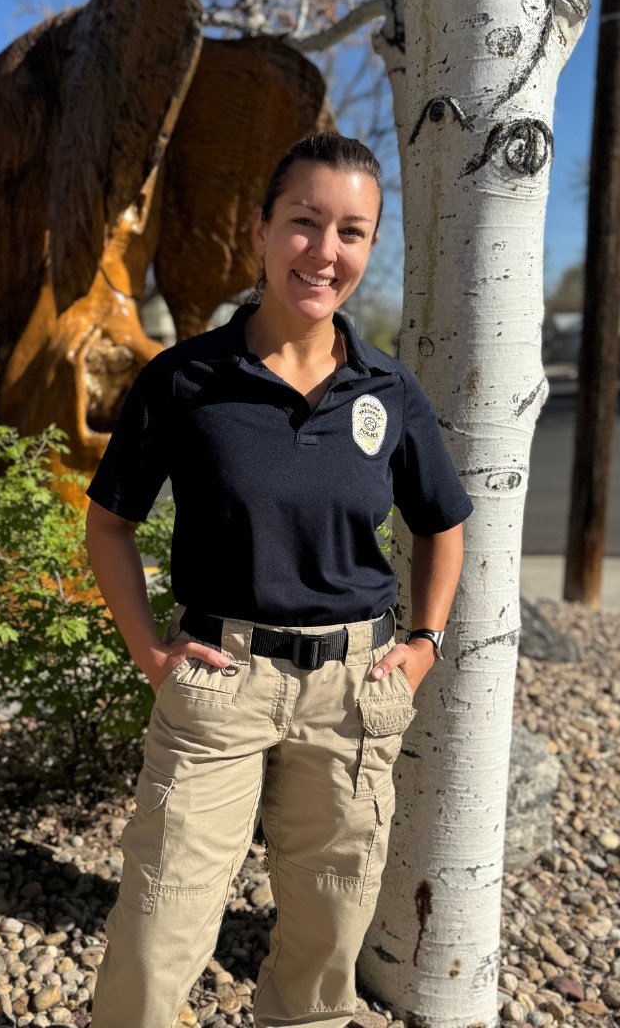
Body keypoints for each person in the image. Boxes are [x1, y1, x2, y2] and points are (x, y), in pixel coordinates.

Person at [84, 132, 472, 1028]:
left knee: (326, 945)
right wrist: (150, 652)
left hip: (353, 696)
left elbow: (443, 523)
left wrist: (424, 645)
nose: (324, 252)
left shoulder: (389, 390)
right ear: (261, 229)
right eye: (304, 223)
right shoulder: (185, 381)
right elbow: (109, 525)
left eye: (352, 232)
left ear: (370, 247)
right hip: (220, 688)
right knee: (157, 927)